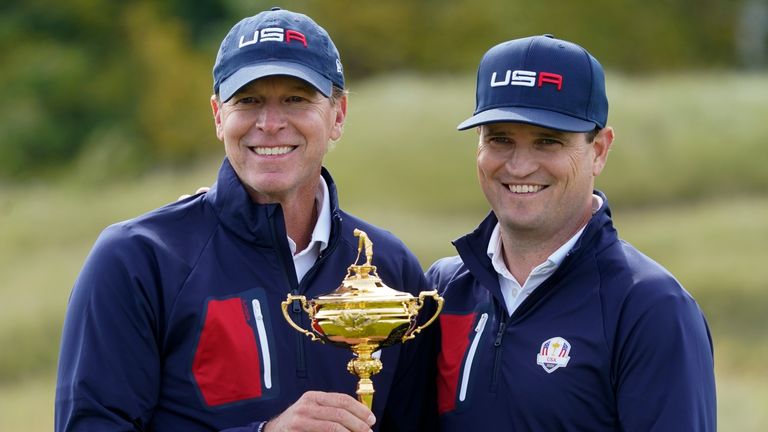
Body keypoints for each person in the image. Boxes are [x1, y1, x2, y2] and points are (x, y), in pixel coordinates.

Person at [55, 8, 436, 432]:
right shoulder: (137, 259)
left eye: (295, 99)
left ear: (338, 114)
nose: (270, 124)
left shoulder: (392, 268)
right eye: (249, 100)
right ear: (219, 115)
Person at [426, 35, 716, 431]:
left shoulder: (652, 308)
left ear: (599, 150)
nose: (520, 166)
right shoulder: (442, 289)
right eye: (500, 139)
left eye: (548, 141)